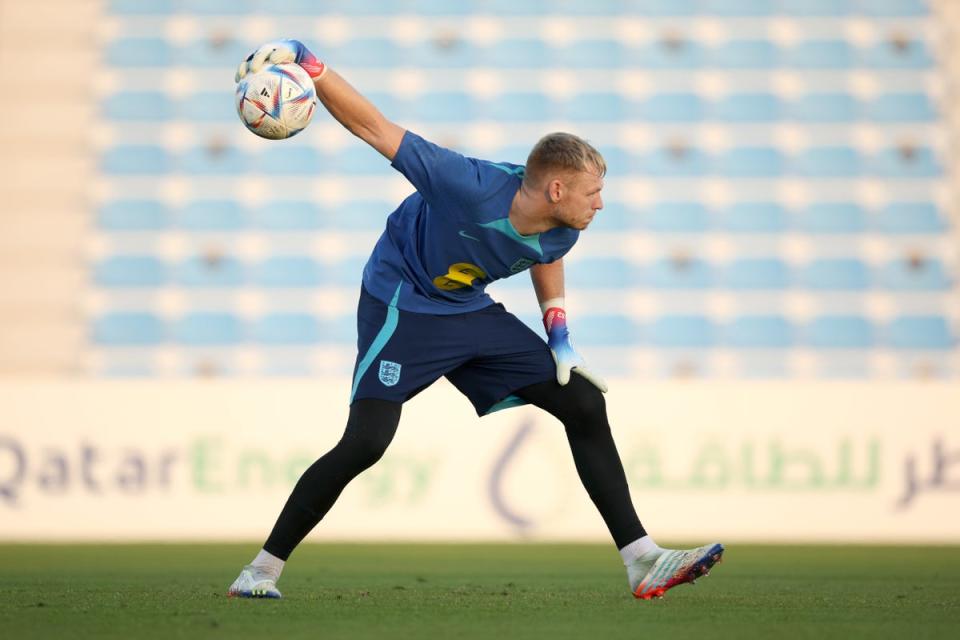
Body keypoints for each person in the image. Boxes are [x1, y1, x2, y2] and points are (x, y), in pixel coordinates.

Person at [227, 39, 723, 601]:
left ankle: (642, 560)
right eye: (594, 192)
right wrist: (310, 65)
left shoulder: (564, 225)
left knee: (584, 401)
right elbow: (374, 128)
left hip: (466, 309)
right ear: (557, 188)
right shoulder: (465, 183)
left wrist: (558, 332)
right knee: (366, 443)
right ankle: (260, 570)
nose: (600, 204)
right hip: (403, 301)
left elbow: (546, 252)